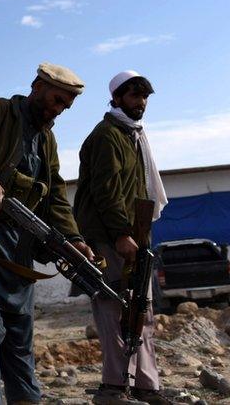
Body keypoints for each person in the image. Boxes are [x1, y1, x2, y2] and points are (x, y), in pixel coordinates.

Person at [0, 62, 95, 405]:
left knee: (20, 344)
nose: (57, 110)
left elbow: (56, 193)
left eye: (65, 106)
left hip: (20, 253)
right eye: (55, 100)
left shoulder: (46, 138)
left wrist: (73, 238)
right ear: (36, 86)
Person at [74, 71, 172, 405]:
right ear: (116, 98)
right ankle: (113, 388)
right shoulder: (108, 135)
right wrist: (119, 234)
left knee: (140, 314)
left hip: (136, 236)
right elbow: (106, 192)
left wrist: (135, 236)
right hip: (111, 238)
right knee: (114, 312)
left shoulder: (134, 136)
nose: (140, 102)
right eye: (133, 96)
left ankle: (146, 385)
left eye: (144, 96)